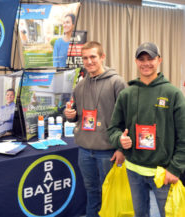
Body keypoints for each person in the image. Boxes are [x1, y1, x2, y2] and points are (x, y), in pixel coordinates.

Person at [108, 42, 185, 217]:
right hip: (133, 170)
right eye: (141, 59)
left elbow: (183, 135)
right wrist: (120, 140)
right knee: (140, 214)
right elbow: (113, 128)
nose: (146, 63)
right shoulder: (126, 94)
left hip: (163, 173)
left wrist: (175, 168)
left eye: (150, 58)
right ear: (136, 62)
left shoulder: (173, 94)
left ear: (159, 60)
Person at [64, 41, 126, 216]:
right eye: (85, 58)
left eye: (93, 57)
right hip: (85, 150)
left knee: (110, 194)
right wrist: (70, 115)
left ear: (102, 57)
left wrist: (122, 149)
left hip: (108, 151)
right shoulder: (80, 85)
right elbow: (76, 113)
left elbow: (127, 119)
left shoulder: (117, 82)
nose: (89, 61)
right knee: (92, 192)